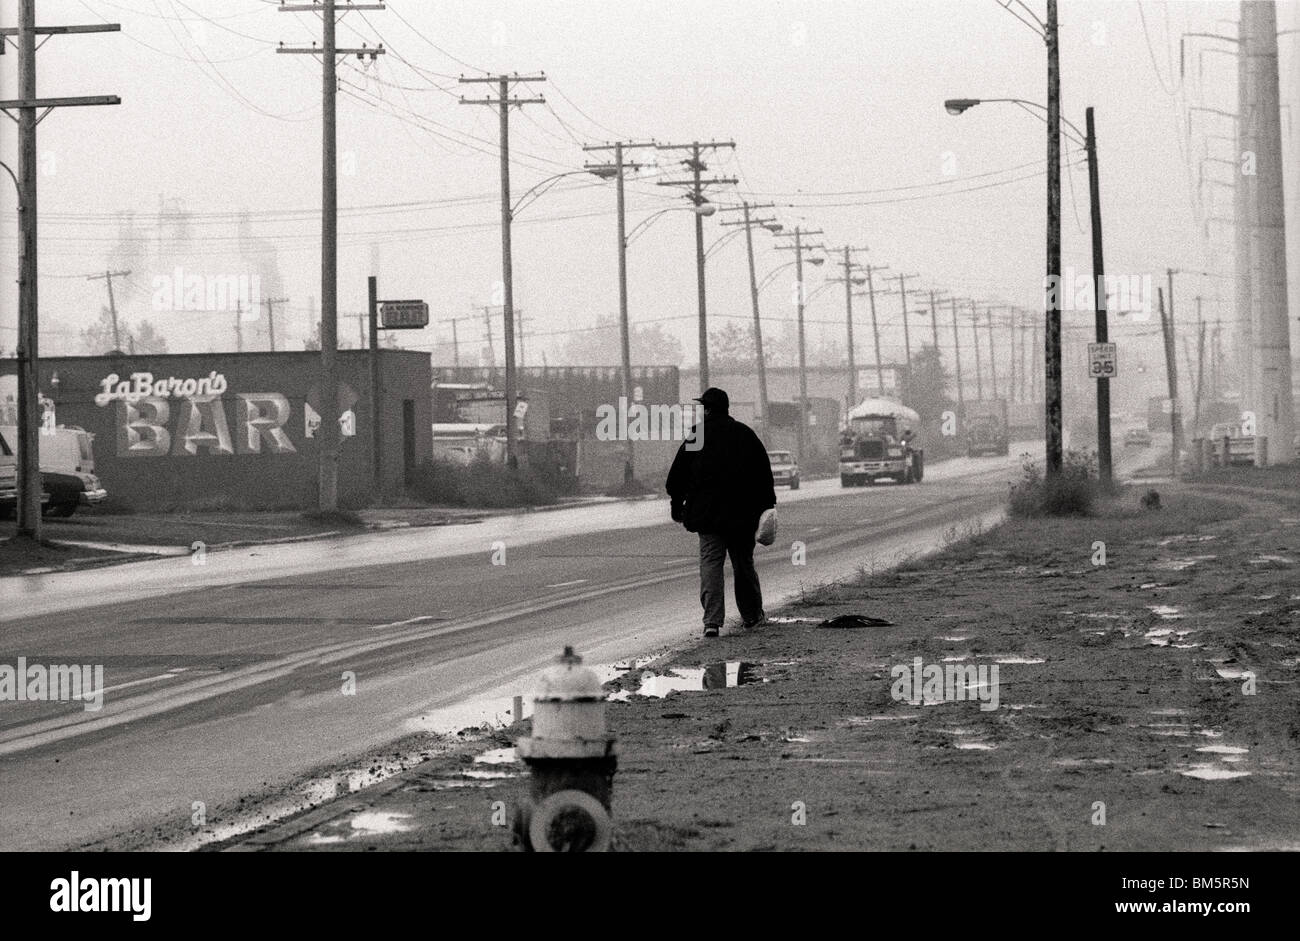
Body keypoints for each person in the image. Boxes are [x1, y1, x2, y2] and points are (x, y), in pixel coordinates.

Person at [666, 387, 776, 638]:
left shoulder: (698, 435)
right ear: (727, 408)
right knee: (743, 564)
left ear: (706, 409)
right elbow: (763, 475)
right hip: (742, 517)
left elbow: (678, 474)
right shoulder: (744, 434)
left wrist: (677, 504)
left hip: (707, 517)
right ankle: (751, 616)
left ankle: (712, 622)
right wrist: (768, 506)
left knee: (711, 565)